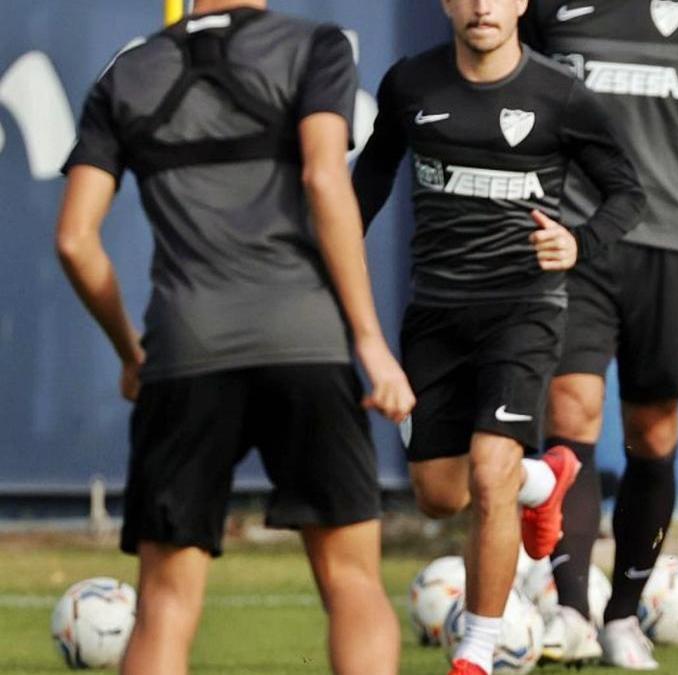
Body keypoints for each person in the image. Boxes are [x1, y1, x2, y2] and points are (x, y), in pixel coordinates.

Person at [54, 1, 413, 673]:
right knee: (353, 585)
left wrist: (131, 350)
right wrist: (368, 340)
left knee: (163, 608)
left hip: (183, 353)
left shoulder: (127, 73)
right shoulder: (316, 46)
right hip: (305, 342)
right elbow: (323, 176)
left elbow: (75, 240)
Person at [351, 1, 645, 673]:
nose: (484, 5)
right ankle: (544, 480)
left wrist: (579, 241)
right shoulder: (410, 84)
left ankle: (478, 650)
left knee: (489, 472)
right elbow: (369, 178)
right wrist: (323, 257)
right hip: (436, 314)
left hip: (525, 309)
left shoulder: (560, 94)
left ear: (522, 4)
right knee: (439, 493)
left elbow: (627, 191)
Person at [519, 1, 678, 666]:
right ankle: (571, 610)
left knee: (654, 432)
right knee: (570, 410)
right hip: (570, 237)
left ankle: (623, 614)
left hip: (667, 241)